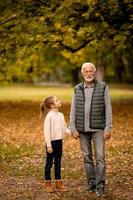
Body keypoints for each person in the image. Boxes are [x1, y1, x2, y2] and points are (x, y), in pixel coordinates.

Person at [70, 62, 112, 197]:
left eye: (90, 71)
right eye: (86, 71)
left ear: (94, 72)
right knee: (87, 157)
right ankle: (91, 182)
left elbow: (108, 108)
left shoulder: (103, 87)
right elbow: (73, 109)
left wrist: (108, 127)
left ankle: (100, 185)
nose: (88, 74)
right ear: (82, 73)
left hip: (98, 128)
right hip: (82, 129)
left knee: (100, 157)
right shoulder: (77, 89)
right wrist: (73, 127)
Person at [40, 96, 70, 192]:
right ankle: (47, 183)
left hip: (59, 142)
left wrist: (72, 132)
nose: (59, 100)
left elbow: (65, 128)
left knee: (58, 162)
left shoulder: (61, 115)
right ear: (52, 105)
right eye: (57, 100)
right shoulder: (49, 116)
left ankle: (58, 183)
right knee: (49, 163)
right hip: (51, 143)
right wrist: (48, 145)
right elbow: (46, 131)